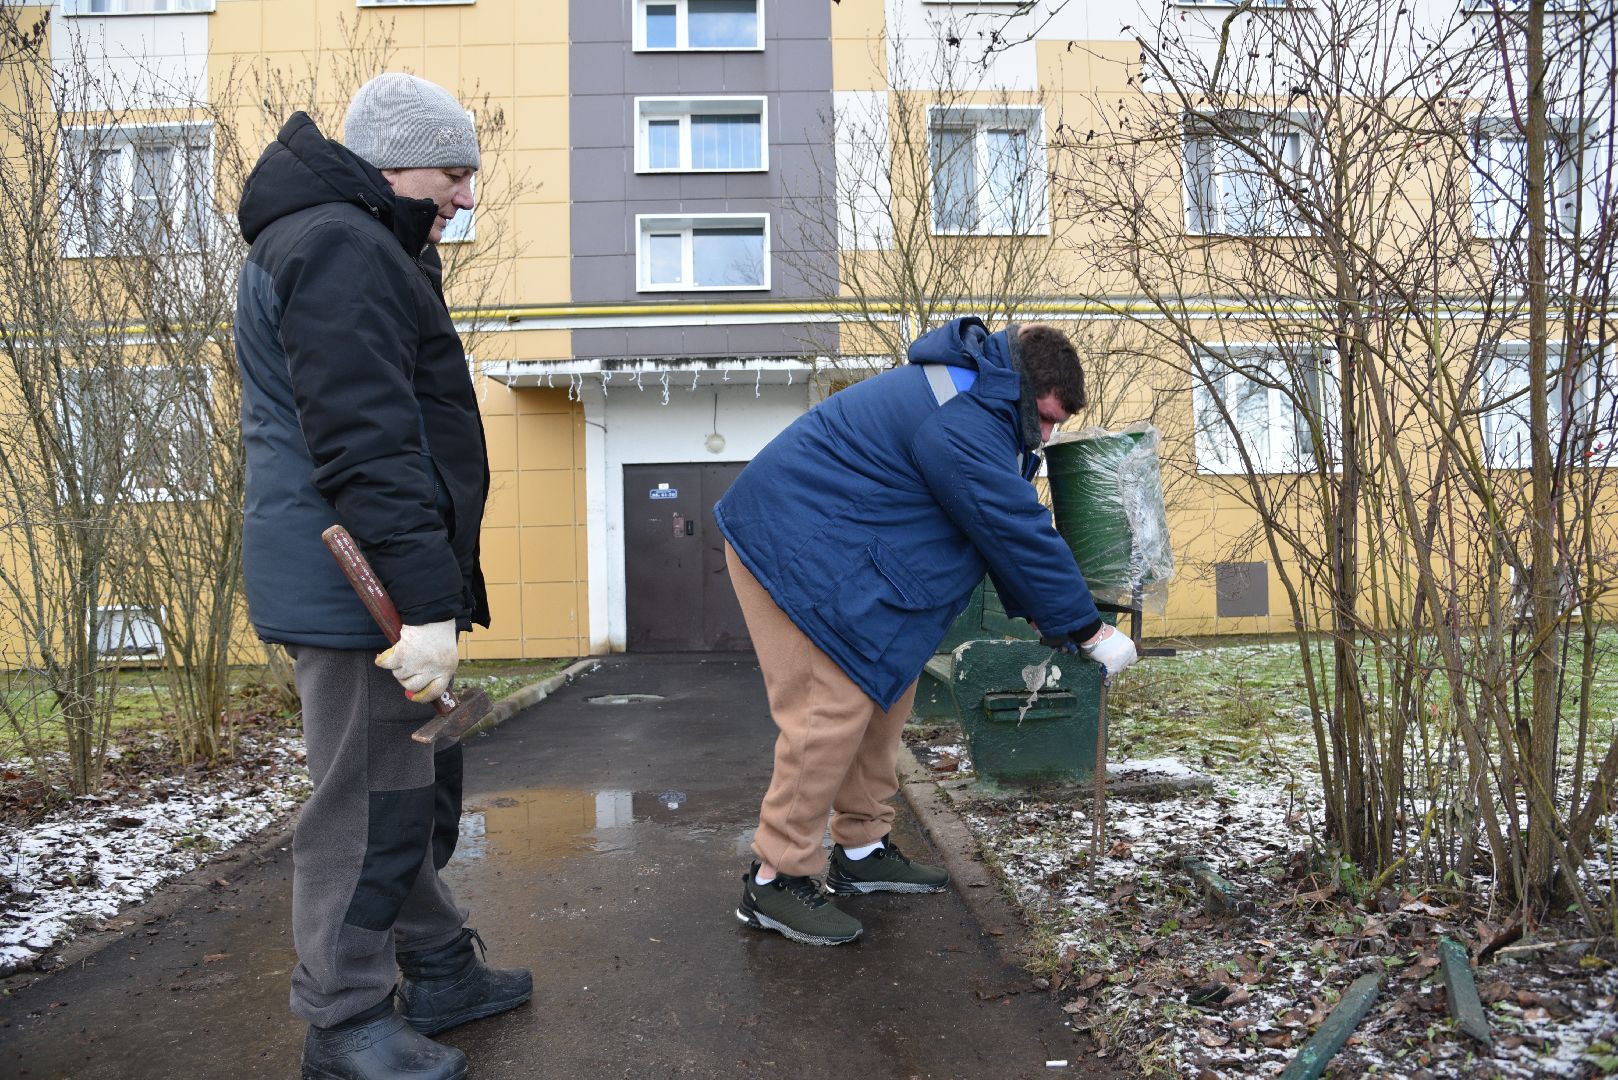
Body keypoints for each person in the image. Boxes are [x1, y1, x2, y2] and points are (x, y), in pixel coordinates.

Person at [234, 73, 530, 1080]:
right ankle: (346, 1020)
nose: (464, 196)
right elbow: (368, 442)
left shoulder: (354, 241)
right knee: (368, 801)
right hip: (356, 584)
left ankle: (439, 967)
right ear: (392, 162)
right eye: (454, 173)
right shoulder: (341, 245)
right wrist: (426, 604)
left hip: (367, 574)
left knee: (407, 779)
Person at [714, 317, 1139, 945]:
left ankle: (860, 849)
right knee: (828, 707)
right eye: (1044, 419)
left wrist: (1053, 614)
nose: (1046, 437)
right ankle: (776, 878)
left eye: (1055, 425)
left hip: (839, 549)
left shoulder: (982, 400)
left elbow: (991, 526)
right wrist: (1086, 630)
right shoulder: (965, 415)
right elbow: (1013, 526)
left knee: (888, 692)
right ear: (1023, 390)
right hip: (786, 546)